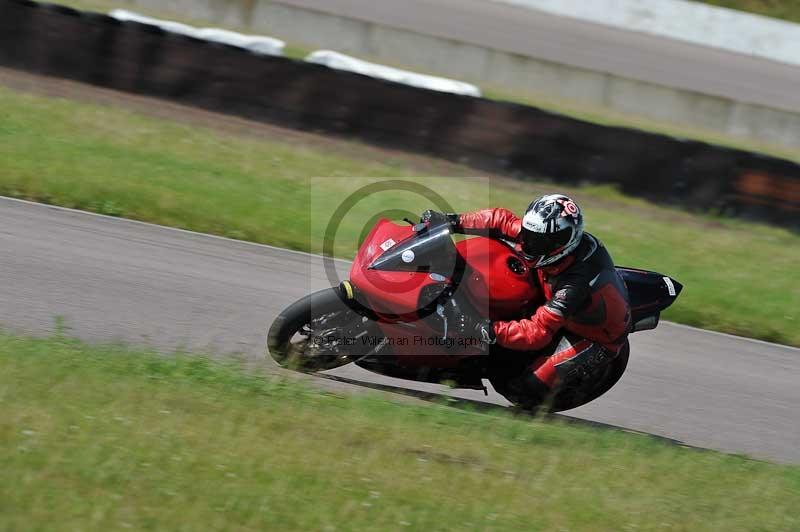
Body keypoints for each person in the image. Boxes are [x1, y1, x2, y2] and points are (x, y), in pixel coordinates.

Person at [422, 194, 631, 405]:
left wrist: (483, 329)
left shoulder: (575, 285)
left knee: (521, 388)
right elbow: (499, 220)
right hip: (550, 290)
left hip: (593, 335)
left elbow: (537, 332)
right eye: (528, 234)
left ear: (560, 243)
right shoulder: (544, 238)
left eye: (536, 241)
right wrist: (450, 221)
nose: (526, 243)